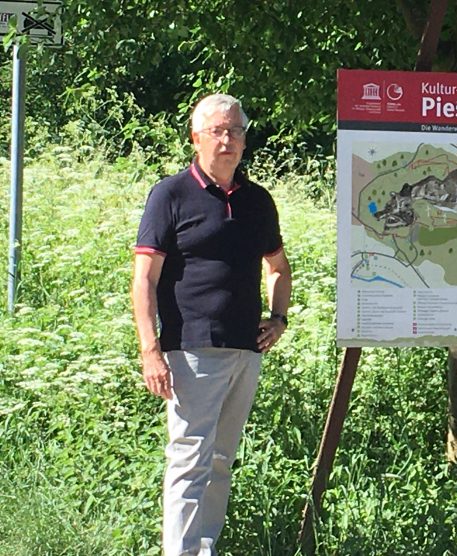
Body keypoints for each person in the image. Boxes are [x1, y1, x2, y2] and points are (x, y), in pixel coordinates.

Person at [131, 93, 292, 555]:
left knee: (221, 461)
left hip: (246, 350)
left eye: (236, 131)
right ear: (195, 138)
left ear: (245, 142)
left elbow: (278, 266)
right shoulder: (171, 194)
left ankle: (205, 548)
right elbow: (145, 276)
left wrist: (277, 319)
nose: (228, 139)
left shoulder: (258, 201)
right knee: (189, 460)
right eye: (218, 131)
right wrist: (150, 349)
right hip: (191, 350)